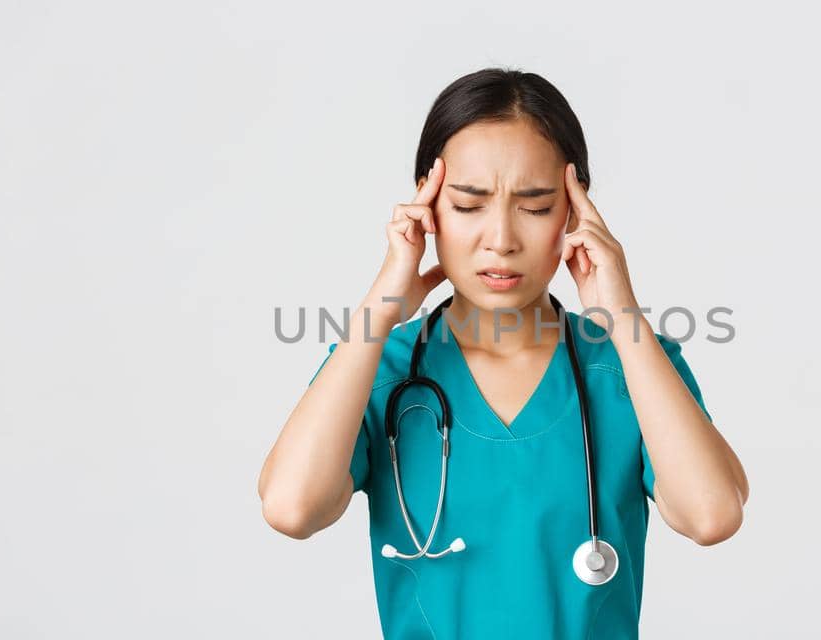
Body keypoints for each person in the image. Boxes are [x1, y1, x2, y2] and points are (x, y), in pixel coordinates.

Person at [257, 67, 749, 639]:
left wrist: (622, 317)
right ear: (428, 206)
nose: (501, 239)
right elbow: (292, 510)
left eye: (536, 207)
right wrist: (379, 309)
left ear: (575, 211)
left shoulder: (630, 365)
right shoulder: (378, 366)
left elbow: (711, 516)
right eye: (468, 206)